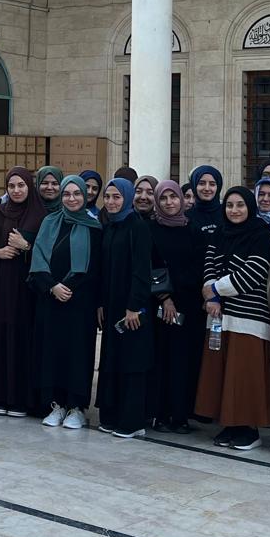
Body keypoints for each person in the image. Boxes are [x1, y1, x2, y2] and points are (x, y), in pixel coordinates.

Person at [193, 187, 270, 451]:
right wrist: (211, 297)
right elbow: (209, 264)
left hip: (249, 317)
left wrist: (215, 290)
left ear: (250, 206)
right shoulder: (220, 233)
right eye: (229, 205)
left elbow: (254, 272)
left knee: (245, 374)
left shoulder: (261, 234)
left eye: (240, 205)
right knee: (223, 373)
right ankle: (229, 424)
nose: (234, 210)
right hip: (219, 315)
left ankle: (248, 428)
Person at [28, 174, 100, 428]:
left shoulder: (94, 227)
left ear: (85, 196)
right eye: (67, 194)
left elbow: (95, 267)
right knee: (52, 352)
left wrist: (69, 287)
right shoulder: (50, 222)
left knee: (78, 354)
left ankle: (76, 407)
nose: (72, 198)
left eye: (77, 194)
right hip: (51, 300)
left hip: (80, 303)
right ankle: (56, 405)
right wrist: (52, 287)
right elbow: (37, 260)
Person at [0, 167, 43, 416]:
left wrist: (26, 247)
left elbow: (48, 255)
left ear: (29, 187)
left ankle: (19, 399)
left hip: (25, 291)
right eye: (11, 186)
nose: (16, 190)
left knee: (21, 340)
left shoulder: (41, 215)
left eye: (21, 185)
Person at [95, 178, 154, 438]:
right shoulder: (108, 226)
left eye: (117, 197)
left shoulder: (137, 227)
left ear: (127, 198)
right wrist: (100, 303)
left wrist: (134, 306)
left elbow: (142, 270)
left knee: (131, 361)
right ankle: (111, 415)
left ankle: (132, 421)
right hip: (110, 305)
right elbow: (101, 268)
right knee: (112, 359)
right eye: (107, 197)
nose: (111, 201)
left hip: (131, 308)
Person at [149, 179, 204, 433]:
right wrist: (165, 298)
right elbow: (150, 264)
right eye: (163, 198)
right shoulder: (150, 229)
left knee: (184, 360)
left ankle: (181, 415)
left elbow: (200, 265)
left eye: (173, 198)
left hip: (189, 305)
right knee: (161, 359)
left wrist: (179, 296)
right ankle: (160, 414)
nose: (169, 203)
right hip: (159, 306)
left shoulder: (193, 228)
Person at [187, 165, 224, 241]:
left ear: (218, 187)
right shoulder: (186, 217)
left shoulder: (228, 213)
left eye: (212, 184)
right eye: (202, 183)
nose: (207, 188)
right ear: (194, 186)